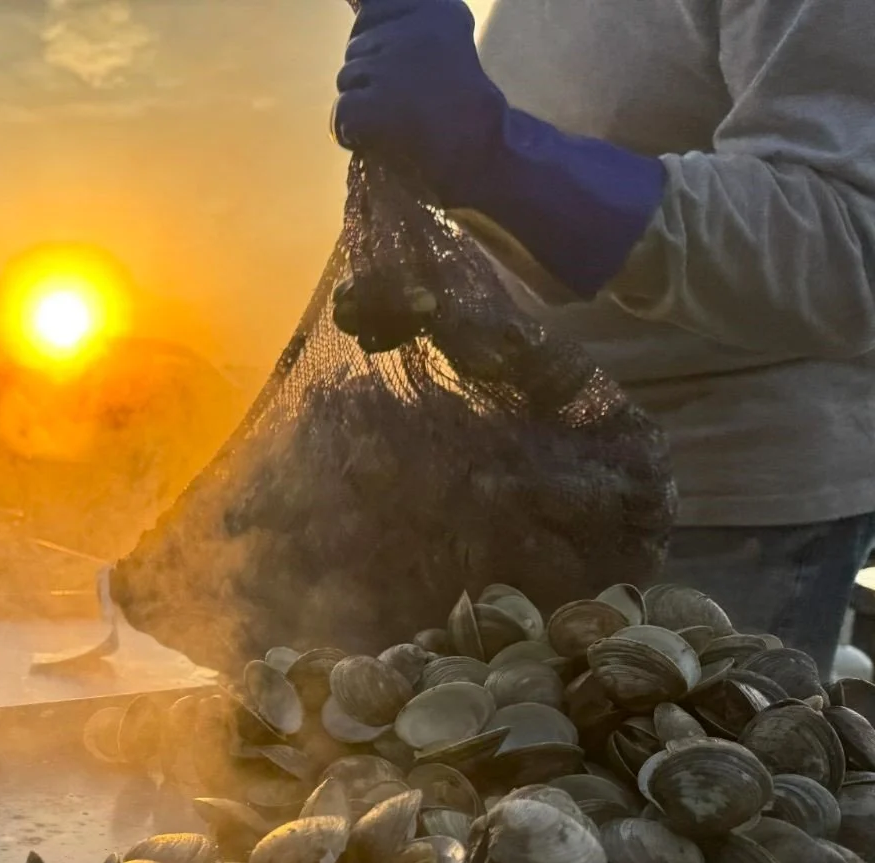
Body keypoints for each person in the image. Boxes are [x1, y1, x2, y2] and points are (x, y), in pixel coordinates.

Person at [330, 0, 875, 677]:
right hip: (530, 476)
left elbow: (847, 241)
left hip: (723, 516)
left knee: (647, 777)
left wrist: (504, 162)